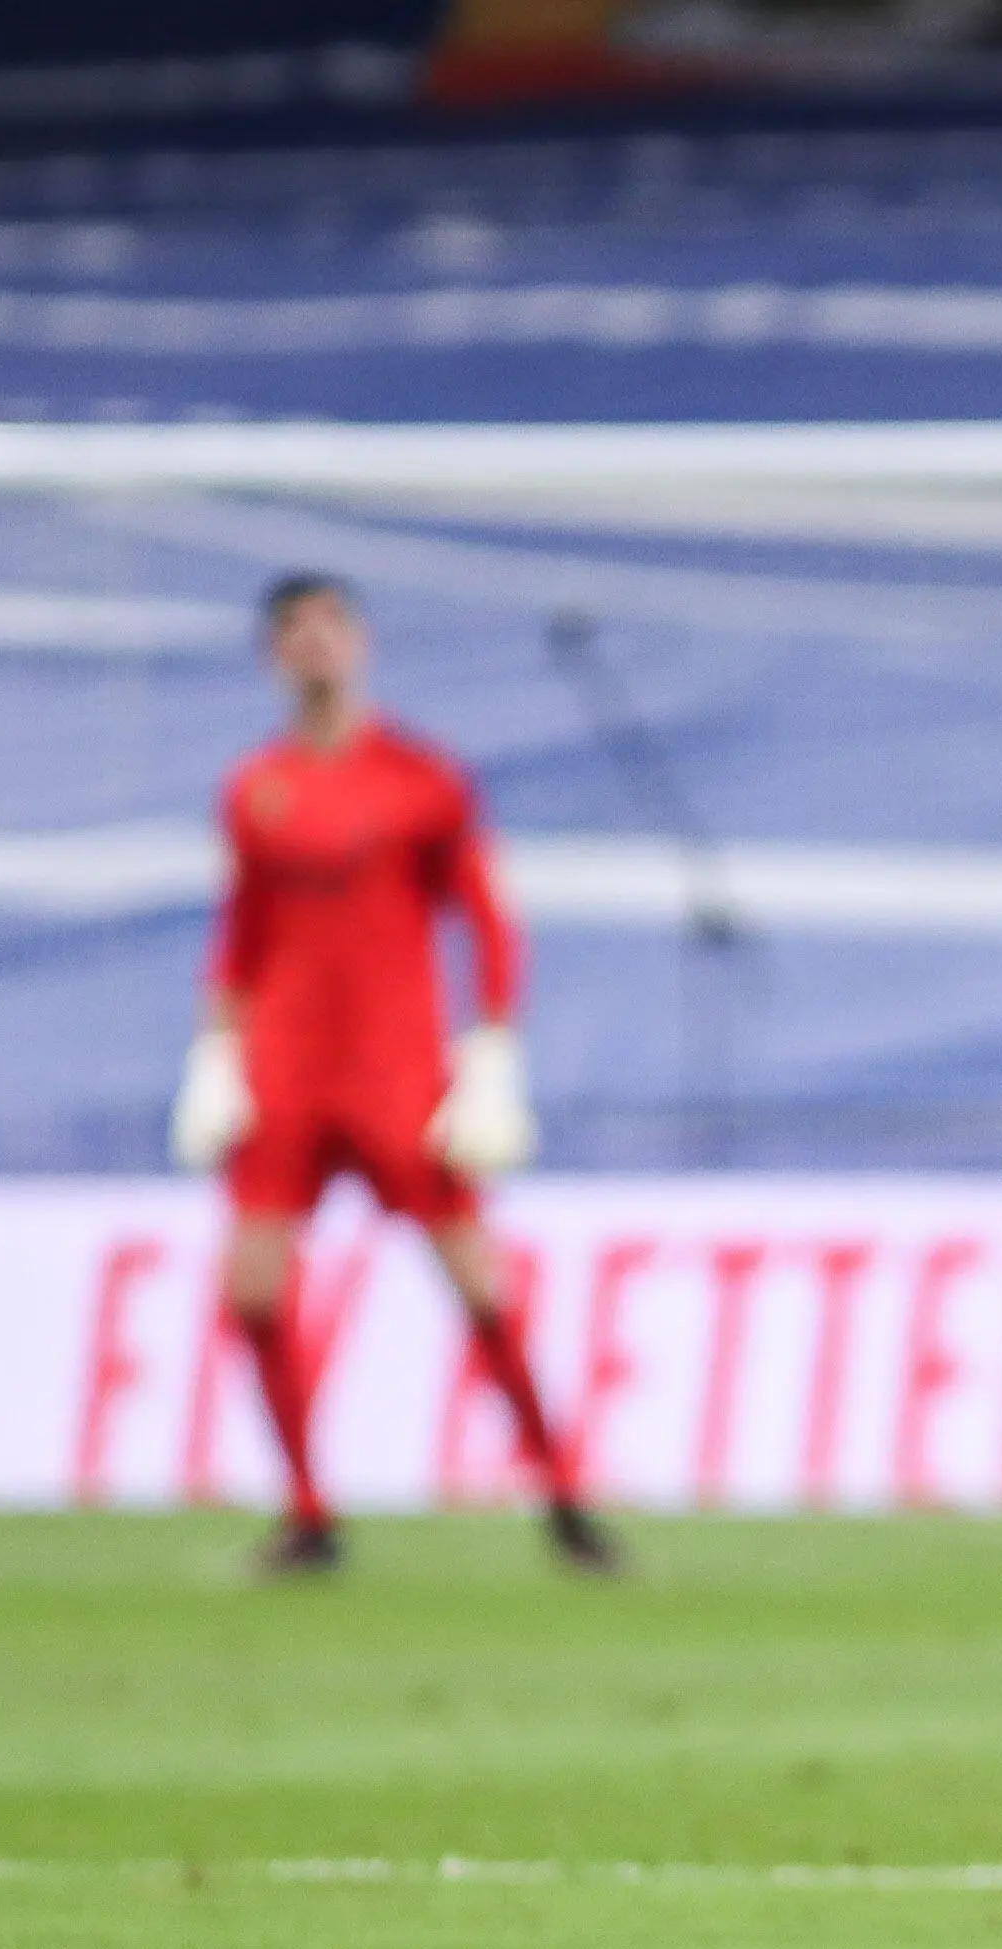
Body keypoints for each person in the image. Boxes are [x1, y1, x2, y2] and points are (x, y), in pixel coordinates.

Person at [168, 573, 621, 1579]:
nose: (315, 644)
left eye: (330, 625)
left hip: (395, 1075)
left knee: (479, 1285)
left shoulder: (422, 778)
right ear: (272, 655)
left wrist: (492, 1048)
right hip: (286, 1071)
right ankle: (309, 1513)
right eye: (295, 629)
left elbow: (485, 915)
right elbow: (240, 934)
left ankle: (564, 1499)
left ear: (361, 642)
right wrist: (215, 1050)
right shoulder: (257, 789)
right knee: (250, 1287)